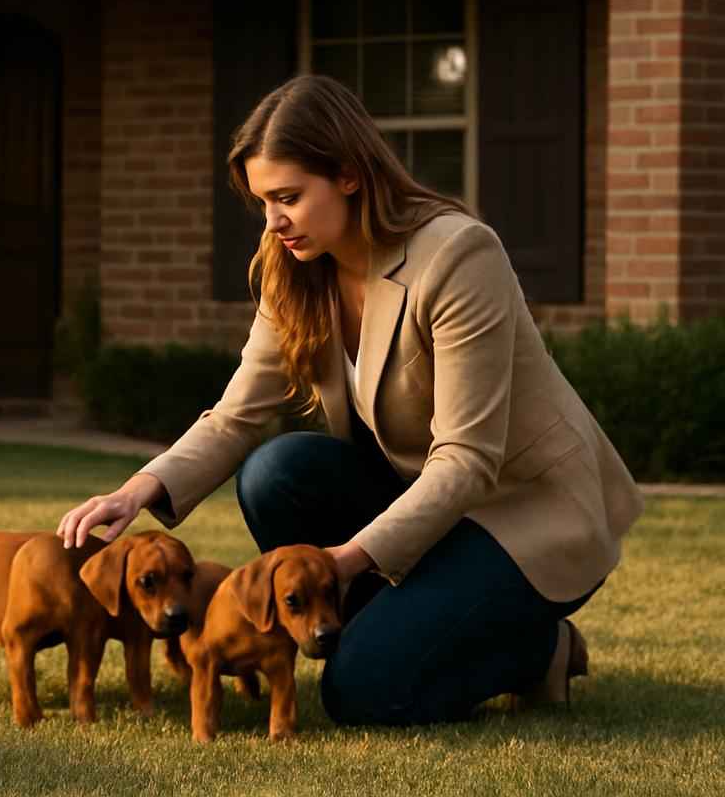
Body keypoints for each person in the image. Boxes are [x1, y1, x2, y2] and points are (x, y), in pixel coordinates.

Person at [57, 75, 643, 725]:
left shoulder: (457, 255)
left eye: (288, 198)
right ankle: (397, 631)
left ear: (348, 175)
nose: (273, 221)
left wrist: (343, 560)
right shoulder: (296, 264)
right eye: (263, 203)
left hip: (522, 511)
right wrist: (138, 489)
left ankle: (536, 647)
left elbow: (468, 461)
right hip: (421, 500)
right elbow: (236, 416)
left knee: (359, 694)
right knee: (276, 474)